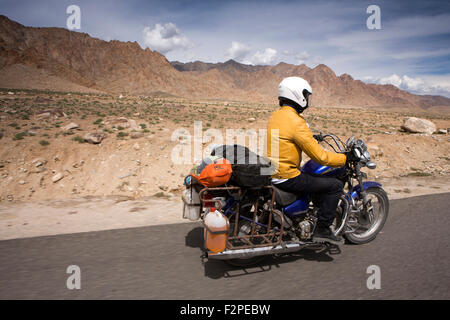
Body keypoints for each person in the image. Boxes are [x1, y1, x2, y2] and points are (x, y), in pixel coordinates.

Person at [266, 76, 348, 245]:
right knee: (335, 186)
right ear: (298, 95)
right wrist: (344, 158)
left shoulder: (277, 116)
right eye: (306, 94)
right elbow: (321, 157)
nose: (307, 99)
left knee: (310, 179)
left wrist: (310, 136)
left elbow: (289, 137)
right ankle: (323, 229)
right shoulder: (296, 122)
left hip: (272, 171)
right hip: (286, 176)